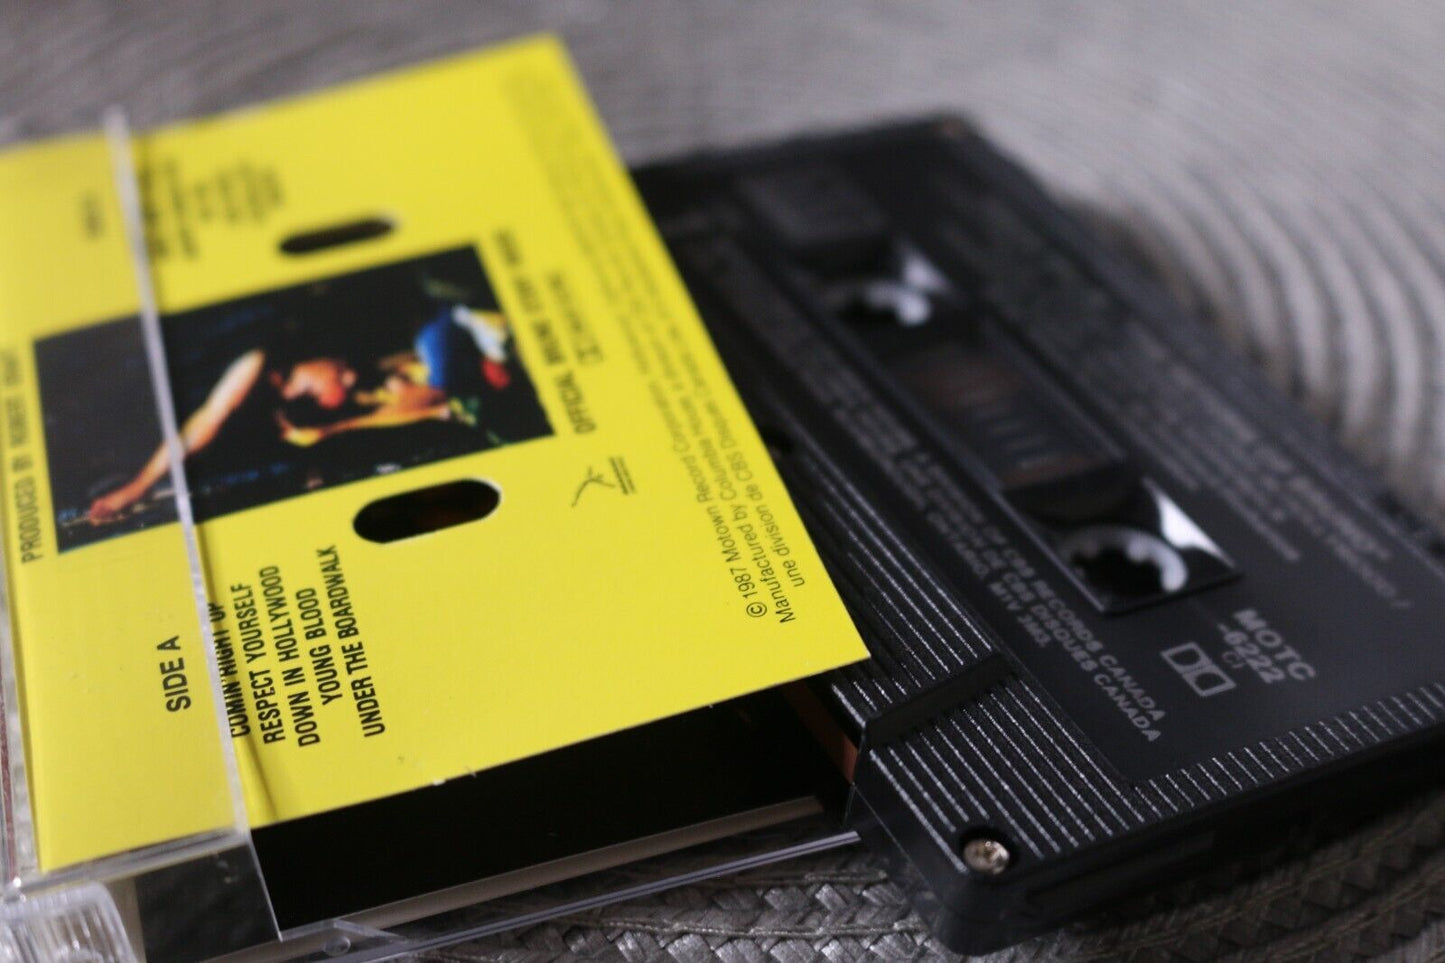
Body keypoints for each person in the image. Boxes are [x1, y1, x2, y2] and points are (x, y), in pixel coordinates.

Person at [87, 304, 513, 524]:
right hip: (444, 373)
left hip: (440, 350)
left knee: (436, 351)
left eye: (343, 374)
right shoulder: (267, 375)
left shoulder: (329, 370)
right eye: (340, 378)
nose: (348, 377)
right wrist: (137, 486)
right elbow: (209, 419)